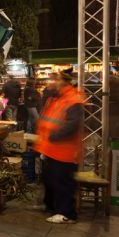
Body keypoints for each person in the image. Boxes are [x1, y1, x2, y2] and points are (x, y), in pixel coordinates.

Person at [34, 69, 84, 224]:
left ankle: (66, 213)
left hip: (64, 151)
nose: (51, 83)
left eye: (55, 79)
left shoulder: (73, 99)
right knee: (50, 179)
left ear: (64, 81)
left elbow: (72, 124)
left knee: (62, 182)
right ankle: (51, 206)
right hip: (51, 149)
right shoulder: (56, 98)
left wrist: (53, 136)